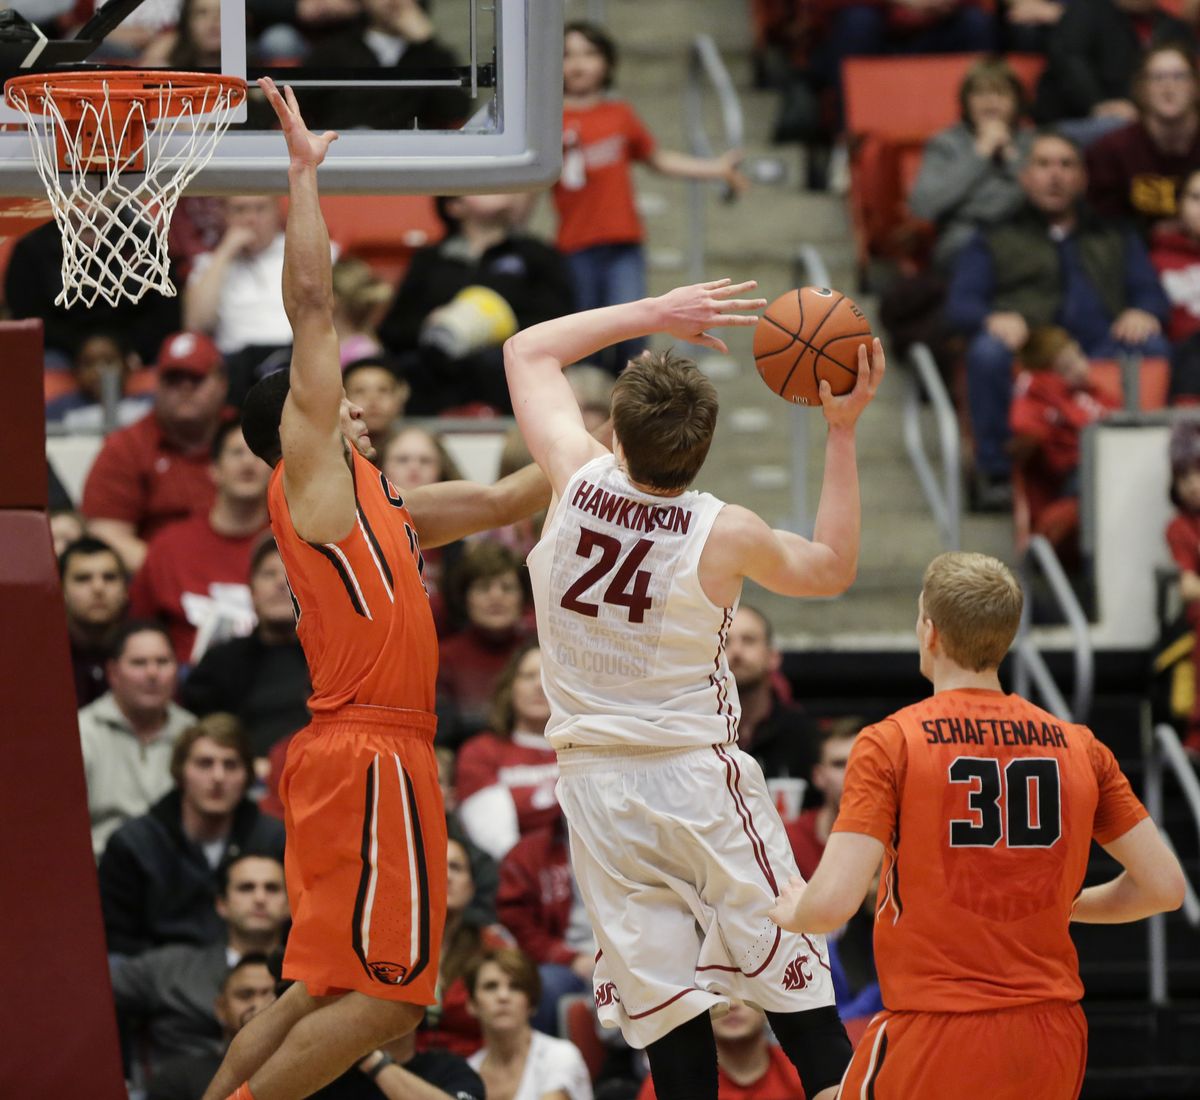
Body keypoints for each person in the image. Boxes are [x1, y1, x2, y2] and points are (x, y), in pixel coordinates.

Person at [198, 79, 554, 1100]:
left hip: (356, 750)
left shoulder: (380, 507)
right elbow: (313, 307)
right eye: (337, 402)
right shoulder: (309, 475)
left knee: (319, 991)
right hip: (371, 748)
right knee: (397, 999)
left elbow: (502, 491)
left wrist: (608, 423)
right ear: (303, 427)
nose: (356, 408)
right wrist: (304, 175)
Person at [504, 280, 885, 1100]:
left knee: (673, 1041)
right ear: (702, 447)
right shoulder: (726, 531)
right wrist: (842, 433)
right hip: (694, 782)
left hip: (596, 790)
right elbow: (833, 568)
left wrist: (653, 313)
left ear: (615, 431)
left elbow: (526, 349)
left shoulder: (573, 478)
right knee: (805, 1006)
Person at [770, 551, 1185, 1098]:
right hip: (1052, 1033)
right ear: (1004, 638)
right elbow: (1164, 888)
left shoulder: (893, 741)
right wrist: (1068, 905)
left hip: (940, 1025)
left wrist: (786, 908)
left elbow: (831, 904)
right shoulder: (1080, 746)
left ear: (929, 631)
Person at [944, 131, 1169, 504]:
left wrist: (1141, 311)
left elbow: (1151, 293)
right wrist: (992, 318)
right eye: (1044, 164)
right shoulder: (995, 235)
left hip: (1100, 345)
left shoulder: (1113, 234)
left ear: (1082, 179)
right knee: (987, 351)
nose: (1055, 175)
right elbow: (960, 304)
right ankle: (996, 471)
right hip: (1032, 349)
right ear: (1025, 176)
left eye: (1067, 165)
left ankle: (1143, 462)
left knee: (1153, 343)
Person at [556, 22, 747, 372]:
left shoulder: (619, 114)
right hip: (575, 246)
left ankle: (634, 414)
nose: (578, 64)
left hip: (624, 242)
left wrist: (715, 169)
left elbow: (658, 159)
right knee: (585, 338)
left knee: (633, 334)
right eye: (568, 55)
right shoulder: (548, 122)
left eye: (589, 53)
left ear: (607, 63)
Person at [99, 714, 286, 957]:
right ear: (180, 772)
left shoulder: (275, 840)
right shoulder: (134, 844)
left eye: (230, 765)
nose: (218, 777)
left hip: (259, 972)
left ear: (247, 777)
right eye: (205, 764)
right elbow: (117, 941)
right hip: (160, 980)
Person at [377, 193, 575, 416]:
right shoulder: (430, 259)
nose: (496, 188)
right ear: (454, 206)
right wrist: (429, 323)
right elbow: (393, 329)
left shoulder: (537, 255)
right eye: (481, 186)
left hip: (508, 370)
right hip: (437, 374)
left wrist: (500, 327)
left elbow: (559, 319)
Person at [112, 854, 289, 1078]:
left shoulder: (312, 975)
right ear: (221, 904)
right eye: (246, 888)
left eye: (272, 888)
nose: (260, 898)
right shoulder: (170, 967)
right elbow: (90, 993)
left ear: (290, 904)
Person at [81, 331, 231, 572]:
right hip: (158, 589)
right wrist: (181, 575)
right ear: (157, 384)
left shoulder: (250, 439)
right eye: (173, 379)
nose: (184, 388)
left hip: (249, 580)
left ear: (222, 383)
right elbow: (106, 535)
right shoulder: (126, 447)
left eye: (196, 378)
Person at [130, 420, 272, 664]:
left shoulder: (292, 543)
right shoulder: (170, 546)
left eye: (257, 453)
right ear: (213, 469)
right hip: (185, 689)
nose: (248, 463)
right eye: (236, 452)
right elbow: (138, 630)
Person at [182, 539, 312, 765]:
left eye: (290, 572)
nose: (280, 582)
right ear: (251, 592)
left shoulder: (333, 661)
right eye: (268, 574)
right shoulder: (220, 662)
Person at [80, 620, 195, 858]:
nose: (152, 673)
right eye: (139, 663)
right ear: (113, 672)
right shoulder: (81, 732)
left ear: (177, 669)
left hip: (176, 872)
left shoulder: (193, 733)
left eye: (162, 662)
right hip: (101, 867)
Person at [908, 57, 1034, 274]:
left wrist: (1012, 158)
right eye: (981, 94)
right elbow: (923, 206)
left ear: (1017, 102)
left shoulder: (1032, 142)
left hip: (1025, 236)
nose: (991, 102)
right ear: (966, 101)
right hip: (965, 240)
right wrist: (980, 154)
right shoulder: (946, 144)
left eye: (1001, 94)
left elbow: (1048, 200)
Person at [1009, 326, 1121, 563]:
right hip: (1077, 475)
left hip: (1114, 466)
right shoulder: (1040, 394)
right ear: (1049, 374)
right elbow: (1025, 430)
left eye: (1079, 357)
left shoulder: (1095, 394)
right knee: (1101, 512)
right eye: (1066, 368)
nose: (1080, 369)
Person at [1033, 0, 1195, 147]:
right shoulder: (1087, 11)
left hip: (1149, 121)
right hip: (1078, 118)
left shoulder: (1174, 28)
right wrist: (1098, 104)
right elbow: (1068, 62)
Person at [455, 643, 560, 862]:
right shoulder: (481, 752)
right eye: (528, 676)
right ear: (510, 686)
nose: (539, 685)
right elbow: (496, 843)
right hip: (516, 880)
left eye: (548, 675)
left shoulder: (586, 748)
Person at [496, 816, 596, 1038]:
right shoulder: (529, 854)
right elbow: (516, 923)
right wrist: (569, 958)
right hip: (571, 962)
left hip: (631, 952)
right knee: (543, 985)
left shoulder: (633, 839)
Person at [1086, 44, 1200, 238]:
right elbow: (1104, 224)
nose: (1168, 87)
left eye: (1179, 76)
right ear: (1141, 89)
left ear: (1195, 86)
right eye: (1157, 78)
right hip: (1135, 253)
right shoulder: (1112, 150)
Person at [416, 837, 512, 1058]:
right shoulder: (392, 944)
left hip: (473, 1069)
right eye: (437, 866)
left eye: (456, 868)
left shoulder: (492, 948)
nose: (447, 876)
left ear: (470, 887)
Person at [437, 541, 533, 747]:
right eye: (483, 588)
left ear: (523, 597)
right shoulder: (443, 658)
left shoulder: (538, 653)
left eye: (507, 588)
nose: (496, 597)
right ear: (464, 599)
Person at [465, 948, 593, 1100]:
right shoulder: (468, 1071)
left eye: (515, 987)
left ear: (531, 1003)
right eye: (491, 986)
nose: (503, 996)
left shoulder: (560, 1055)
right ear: (472, 1004)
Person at [148, 955, 280, 1100]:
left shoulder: (303, 1069)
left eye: (270, 994)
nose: (258, 1004)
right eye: (245, 995)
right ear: (220, 1008)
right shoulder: (177, 1078)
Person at [184, 196, 293, 359]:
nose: (250, 219)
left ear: (277, 212)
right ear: (224, 215)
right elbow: (196, 324)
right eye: (240, 210)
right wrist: (226, 251)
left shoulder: (301, 252)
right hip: (235, 363)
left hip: (293, 357)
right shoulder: (208, 263)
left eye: (260, 209)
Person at [725, 606, 817, 784]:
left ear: (772, 657)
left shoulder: (803, 736)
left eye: (749, 640)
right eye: (725, 642)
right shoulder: (696, 732)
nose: (736, 651)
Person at [636, 1002, 802, 1100]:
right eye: (716, 993)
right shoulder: (665, 1085)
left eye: (743, 993)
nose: (732, 1005)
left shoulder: (804, 1074)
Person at [60, 535, 130, 706]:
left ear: (126, 589)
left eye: (110, 577)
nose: (98, 588)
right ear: (60, 589)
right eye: (83, 578)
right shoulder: (43, 656)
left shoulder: (143, 649)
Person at [786, 721, 860, 881]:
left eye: (862, 761)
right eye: (840, 764)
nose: (852, 772)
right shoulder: (791, 841)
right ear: (818, 776)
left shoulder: (900, 839)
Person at [1165, 425, 1200, 756]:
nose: (1192, 484)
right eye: (1183, 477)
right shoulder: (1179, 527)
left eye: (1198, 473)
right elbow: (1189, 588)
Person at [45, 329, 154, 431]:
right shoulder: (58, 411)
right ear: (76, 370)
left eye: (109, 361)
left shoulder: (148, 406)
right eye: (88, 363)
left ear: (127, 367)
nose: (98, 371)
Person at [341, 358, 410, 440]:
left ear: (400, 396)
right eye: (360, 391)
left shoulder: (418, 446)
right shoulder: (329, 449)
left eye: (383, 390)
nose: (373, 400)